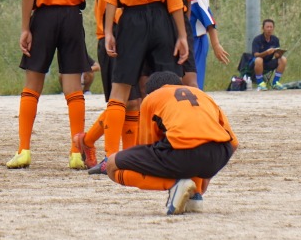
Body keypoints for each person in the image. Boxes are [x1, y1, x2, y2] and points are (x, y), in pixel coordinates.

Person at [1, 0, 98, 170]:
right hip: (71, 17)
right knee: (73, 86)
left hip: (42, 18)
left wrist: (25, 28)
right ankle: (76, 152)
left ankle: (24, 150)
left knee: (32, 85)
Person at [99, 0, 188, 163]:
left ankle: (110, 157)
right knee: (169, 85)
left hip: (131, 19)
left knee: (120, 89)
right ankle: (174, 148)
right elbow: (175, 1)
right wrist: (182, 36)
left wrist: (108, 31)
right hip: (161, 19)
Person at [98, 71, 237, 216]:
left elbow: (147, 145)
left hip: (182, 155)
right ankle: (195, 195)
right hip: (219, 154)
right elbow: (233, 143)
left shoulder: (152, 98)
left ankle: (175, 184)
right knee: (195, 142)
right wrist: (207, 175)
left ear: (150, 92)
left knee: (112, 164)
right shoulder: (203, 95)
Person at [74, 0, 137, 169]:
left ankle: (95, 143)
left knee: (132, 102)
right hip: (113, 45)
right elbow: (121, 16)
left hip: (124, 44)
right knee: (119, 102)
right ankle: (111, 155)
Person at [251, 19, 287, 90]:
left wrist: (279, 53)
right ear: (263, 28)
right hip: (257, 63)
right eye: (267, 27)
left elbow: (276, 55)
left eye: (271, 27)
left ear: (273, 28)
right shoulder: (257, 39)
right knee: (259, 60)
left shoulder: (275, 39)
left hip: (268, 62)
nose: (269, 29)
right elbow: (256, 55)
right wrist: (266, 52)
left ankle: (275, 82)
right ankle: (260, 83)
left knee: (283, 59)